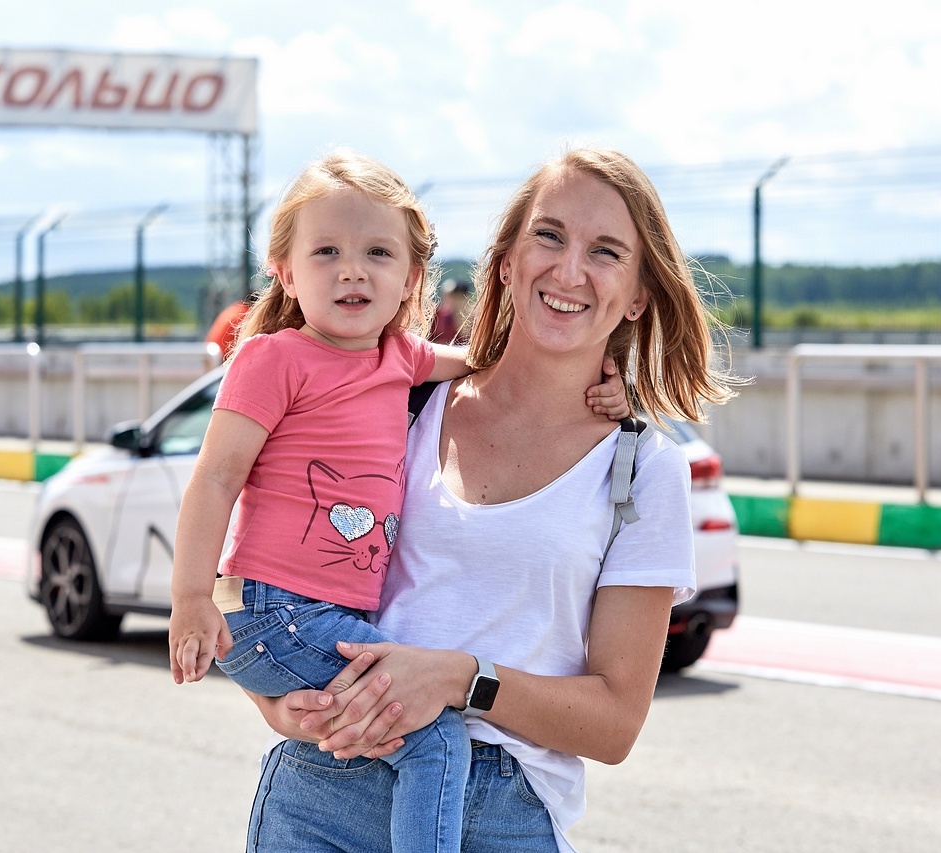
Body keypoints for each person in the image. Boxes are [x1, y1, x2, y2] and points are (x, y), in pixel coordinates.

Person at [245, 147, 737, 853]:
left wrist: (459, 678)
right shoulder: (401, 399)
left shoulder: (643, 469)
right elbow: (254, 571)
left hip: (500, 816)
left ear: (636, 294)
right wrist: (276, 704)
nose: (569, 270)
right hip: (324, 790)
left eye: (605, 252)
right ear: (506, 261)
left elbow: (614, 723)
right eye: (549, 236)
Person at [167, 150, 632, 853]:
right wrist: (190, 597)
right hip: (279, 609)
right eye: (326, 251)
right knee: (436, 741)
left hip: (325, 621)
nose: (352, 270)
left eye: (377, 253)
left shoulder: (402, 360)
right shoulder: (273, 357)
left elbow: (498, 366)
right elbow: (215, 477)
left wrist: (610, 376)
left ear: (412, 277)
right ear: (285, 271)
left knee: (415, 735)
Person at [430, 278, 472, 345]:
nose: (457, 301)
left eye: (461, 297)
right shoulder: (437, 316)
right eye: (454, 296)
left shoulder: (474, 319)